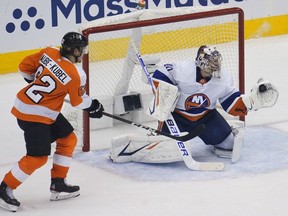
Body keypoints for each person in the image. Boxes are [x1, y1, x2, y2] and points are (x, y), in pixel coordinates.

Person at [109, 45, 279, 165]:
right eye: (210, 66)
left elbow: (230, 102)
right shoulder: (182, 70)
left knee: (229, 145)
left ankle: (217, 136)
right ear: (201, 63)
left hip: (205, 118)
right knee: (165, 151)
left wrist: (250, 101)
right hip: (176, 116)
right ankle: (151, 140)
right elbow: (160, 75)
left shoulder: (224, 78)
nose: (214, 70)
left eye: (216, 66)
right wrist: (165, 90)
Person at [0, 32, 104, 212]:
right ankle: (4, 188)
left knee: (68, 139)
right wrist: (93, 106)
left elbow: (24, 66)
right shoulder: (76, 73)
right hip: (34, 116)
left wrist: (37, 83)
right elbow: (78, 101)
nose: (84, 52)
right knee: (37, 157)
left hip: (33, 107)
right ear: (76, 50)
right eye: (83, 49)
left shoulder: (49, 52)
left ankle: (58, 183)